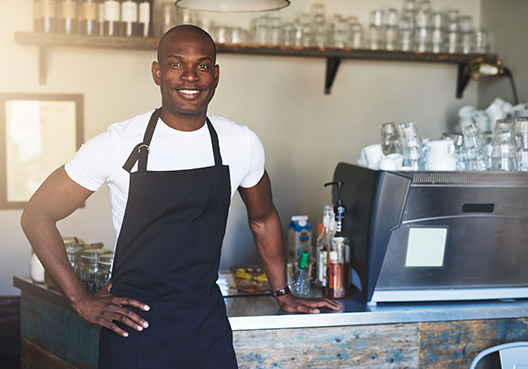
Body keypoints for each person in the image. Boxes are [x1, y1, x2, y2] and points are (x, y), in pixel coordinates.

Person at [20, 25, 341, 369]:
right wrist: (80, 300)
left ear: (215, 75)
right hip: (134, 326)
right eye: (176, 64)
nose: (190, 76)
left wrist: (283, 294)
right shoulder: (117, 144)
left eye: (202, 66)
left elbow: (262, 219)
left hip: (206, 326)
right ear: (157, 72)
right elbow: (37, 214)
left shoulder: (240, 142)